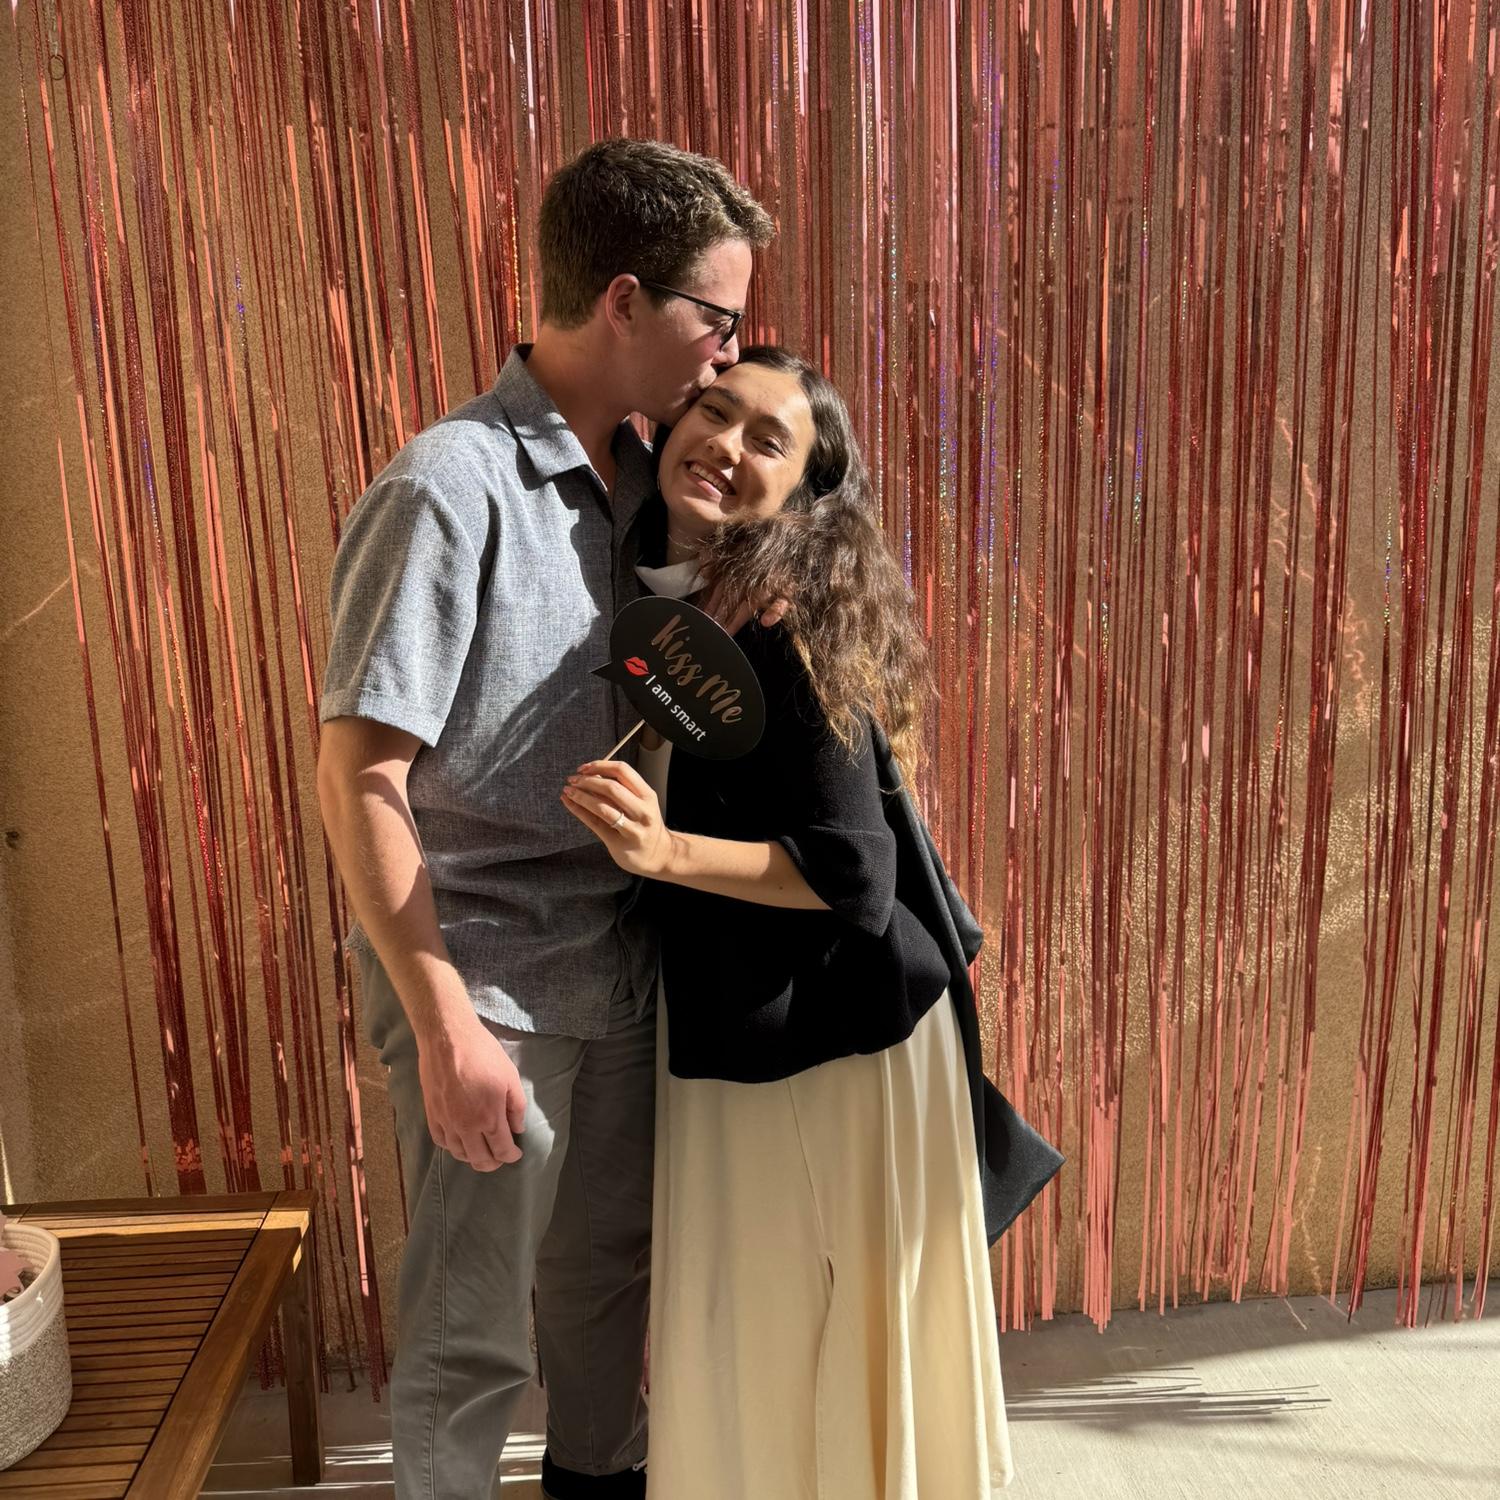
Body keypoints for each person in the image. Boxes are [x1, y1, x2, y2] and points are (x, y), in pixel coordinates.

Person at [316, 140, 773, 1500]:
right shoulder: (447, 489)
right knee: (467, 1335)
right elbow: (360, 776)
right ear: (625, 301)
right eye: (718, 317)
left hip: (621, 964)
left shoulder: (649, 481)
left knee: (602, 1296)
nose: (730, 352)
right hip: (487, 975)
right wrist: (444, 1025)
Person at [561, 346, 1013, 1498]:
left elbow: (853, 870)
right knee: (752, 1338)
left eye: (768, 441)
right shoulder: (675, 590)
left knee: (804, 1338)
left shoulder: (784, 614)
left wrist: (662, 849)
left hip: (837, 1041)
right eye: (713, 411)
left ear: (806, 496)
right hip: (746, 1022)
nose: (725, 444)